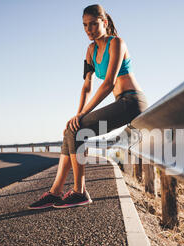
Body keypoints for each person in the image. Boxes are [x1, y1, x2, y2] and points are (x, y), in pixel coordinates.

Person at [29, 4, 148, 209]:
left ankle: (80, 191)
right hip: (120, 103)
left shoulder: (117, 43)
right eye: (85, 25)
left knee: (78, 129)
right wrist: (78, 116)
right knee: (72, 129)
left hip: (132, 102)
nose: (89, 29)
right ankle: (56, 192)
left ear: (105, 22)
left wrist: (83, 115)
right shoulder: (90, 51)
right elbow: (86, 87)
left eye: (93, 24)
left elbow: (109, 82)